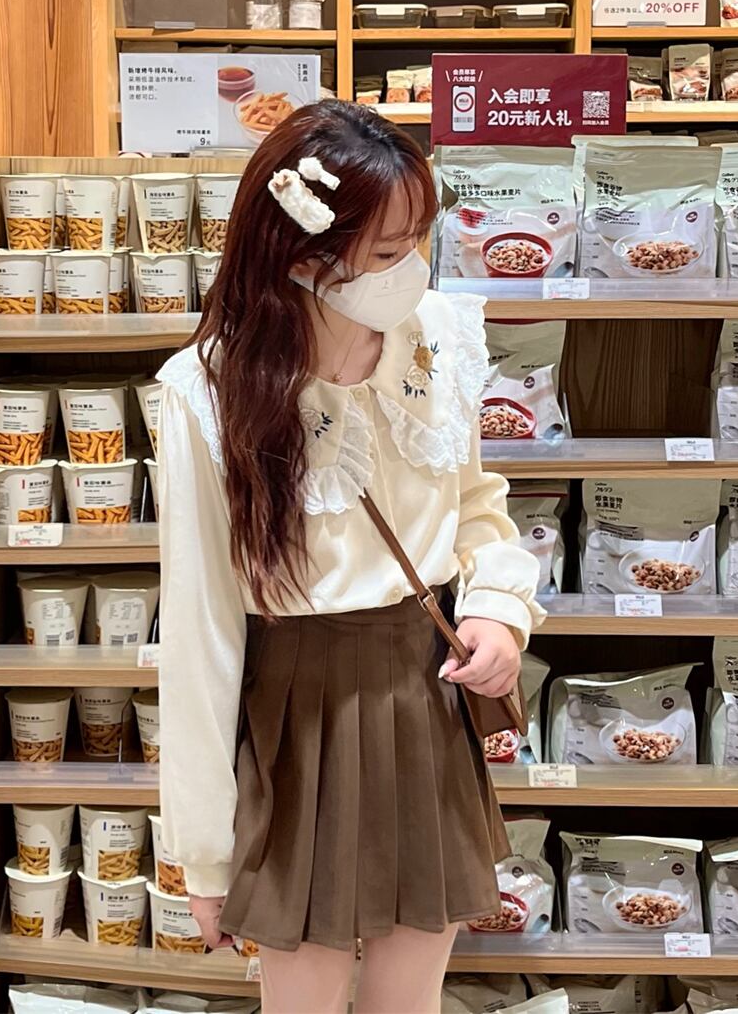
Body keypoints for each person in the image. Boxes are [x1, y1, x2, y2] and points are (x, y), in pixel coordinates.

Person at [156, 100, 545, 1014]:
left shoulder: (439, 336)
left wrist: (498, 611)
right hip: (299, 714)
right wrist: (204, 853)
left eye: (419, 240)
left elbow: (477, 505)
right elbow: (202, 632)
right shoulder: (208, 389)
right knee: (303, 995)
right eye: (387, 250)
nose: (413, 268)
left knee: (411, 996)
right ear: (301, 252)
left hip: (424, 691)